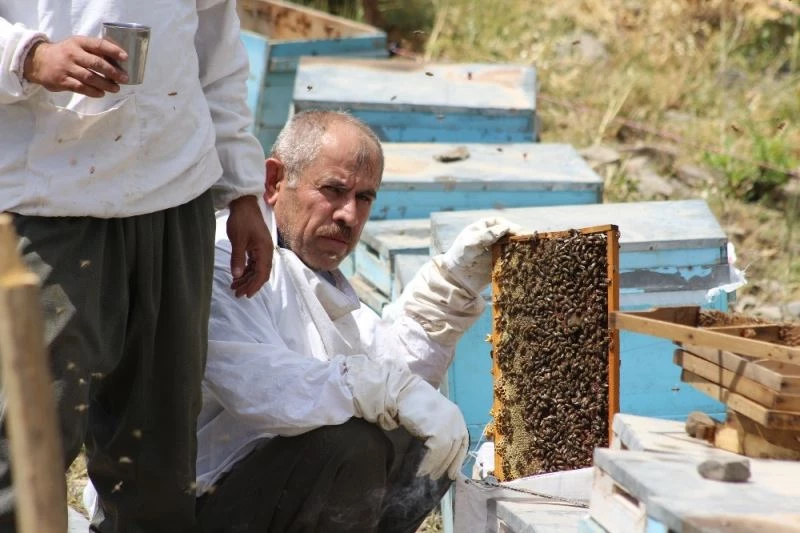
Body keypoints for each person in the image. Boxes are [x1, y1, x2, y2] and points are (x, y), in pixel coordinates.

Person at [0, 2, 272, 532]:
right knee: (22, 458)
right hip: (46, 205)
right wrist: (29, 56)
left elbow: (215, 47)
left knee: (157, 462)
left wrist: (242, 190)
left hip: (175, 199)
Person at [193, 110, 520, 532]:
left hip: (259, 494)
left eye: (364, 197)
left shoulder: (311, 272)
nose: (349, 215)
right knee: (351, 444)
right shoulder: (229, 256)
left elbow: (391, 365)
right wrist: (381, 389)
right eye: (333, 190)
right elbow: (258, 385)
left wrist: (452, 285)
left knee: (413, 435)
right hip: (193, 504)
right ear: (274, 182)